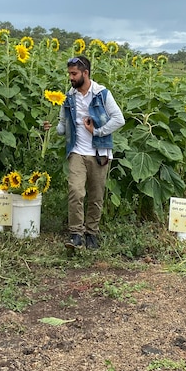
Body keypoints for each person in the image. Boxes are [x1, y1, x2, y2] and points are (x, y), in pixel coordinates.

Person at [54, 55, 125, 251]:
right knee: (76, 191)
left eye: (74, 73)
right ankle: (75, 233)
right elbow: (62, 126)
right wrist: (53, 127)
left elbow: (119, 119)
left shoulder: (102, 94)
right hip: (76, 150)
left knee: (96, 195)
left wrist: (97, 131)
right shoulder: (69, 96)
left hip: (98, 151)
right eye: (69, 73)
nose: (71, 77)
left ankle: (91, 233)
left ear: (85, 73)